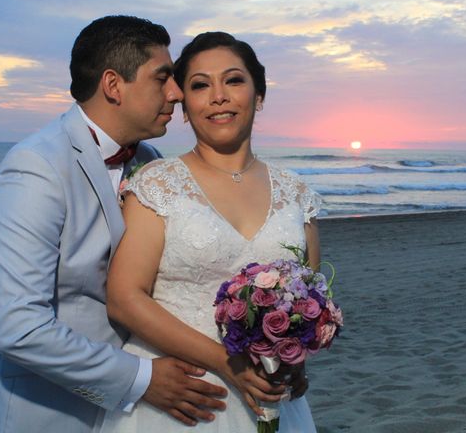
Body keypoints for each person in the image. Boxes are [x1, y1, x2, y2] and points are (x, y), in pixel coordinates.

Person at [0, 16, 228, 432]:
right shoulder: (37, 167)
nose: (177, 93)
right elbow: (18, 328)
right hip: (35, 410)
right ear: (113, 85)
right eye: (162, 78)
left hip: (118, 413)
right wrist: (141, 378)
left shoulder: (150, 163)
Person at [101, 32, 322, 431]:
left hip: (270, 398)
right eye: (200, 85)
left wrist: (294, 362)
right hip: (182, 399)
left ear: (259, 96)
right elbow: (124, 298)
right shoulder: (157, 184)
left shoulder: (296, 194)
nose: (218, 96)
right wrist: (226, 362)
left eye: (234, 81)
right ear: (185, 107)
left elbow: (309, 297)